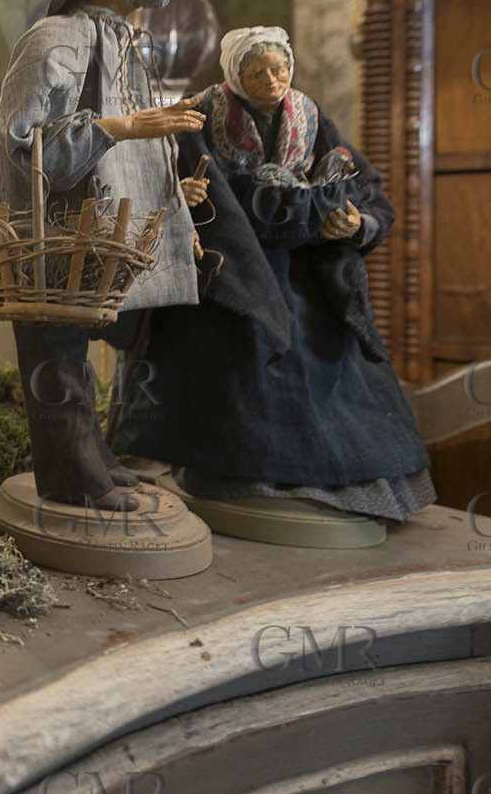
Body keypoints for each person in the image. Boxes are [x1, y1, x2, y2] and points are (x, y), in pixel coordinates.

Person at [111, 26, 434, 521]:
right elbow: (149, 172)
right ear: (234, 74)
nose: (270, 79)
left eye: (279, 68)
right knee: (241, 348)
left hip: (304, 265)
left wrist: (355, 222)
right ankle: (234, 473)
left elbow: (364, 185)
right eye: (256, 71)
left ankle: (329, 483)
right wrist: (179, 196)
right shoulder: (198, 113)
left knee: (327, 354)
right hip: (227, 265)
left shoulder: (309, 115)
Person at [0, 0, 203, 510]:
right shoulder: (58, 38)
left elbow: (137, 151)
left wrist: (177, 207)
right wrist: (119, 126)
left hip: (89, 233)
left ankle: (90, 457)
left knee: (76, 349)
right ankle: (70, 477)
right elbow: (24, 142)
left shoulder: (126, 48)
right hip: (45, 232)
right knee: (54, 349)